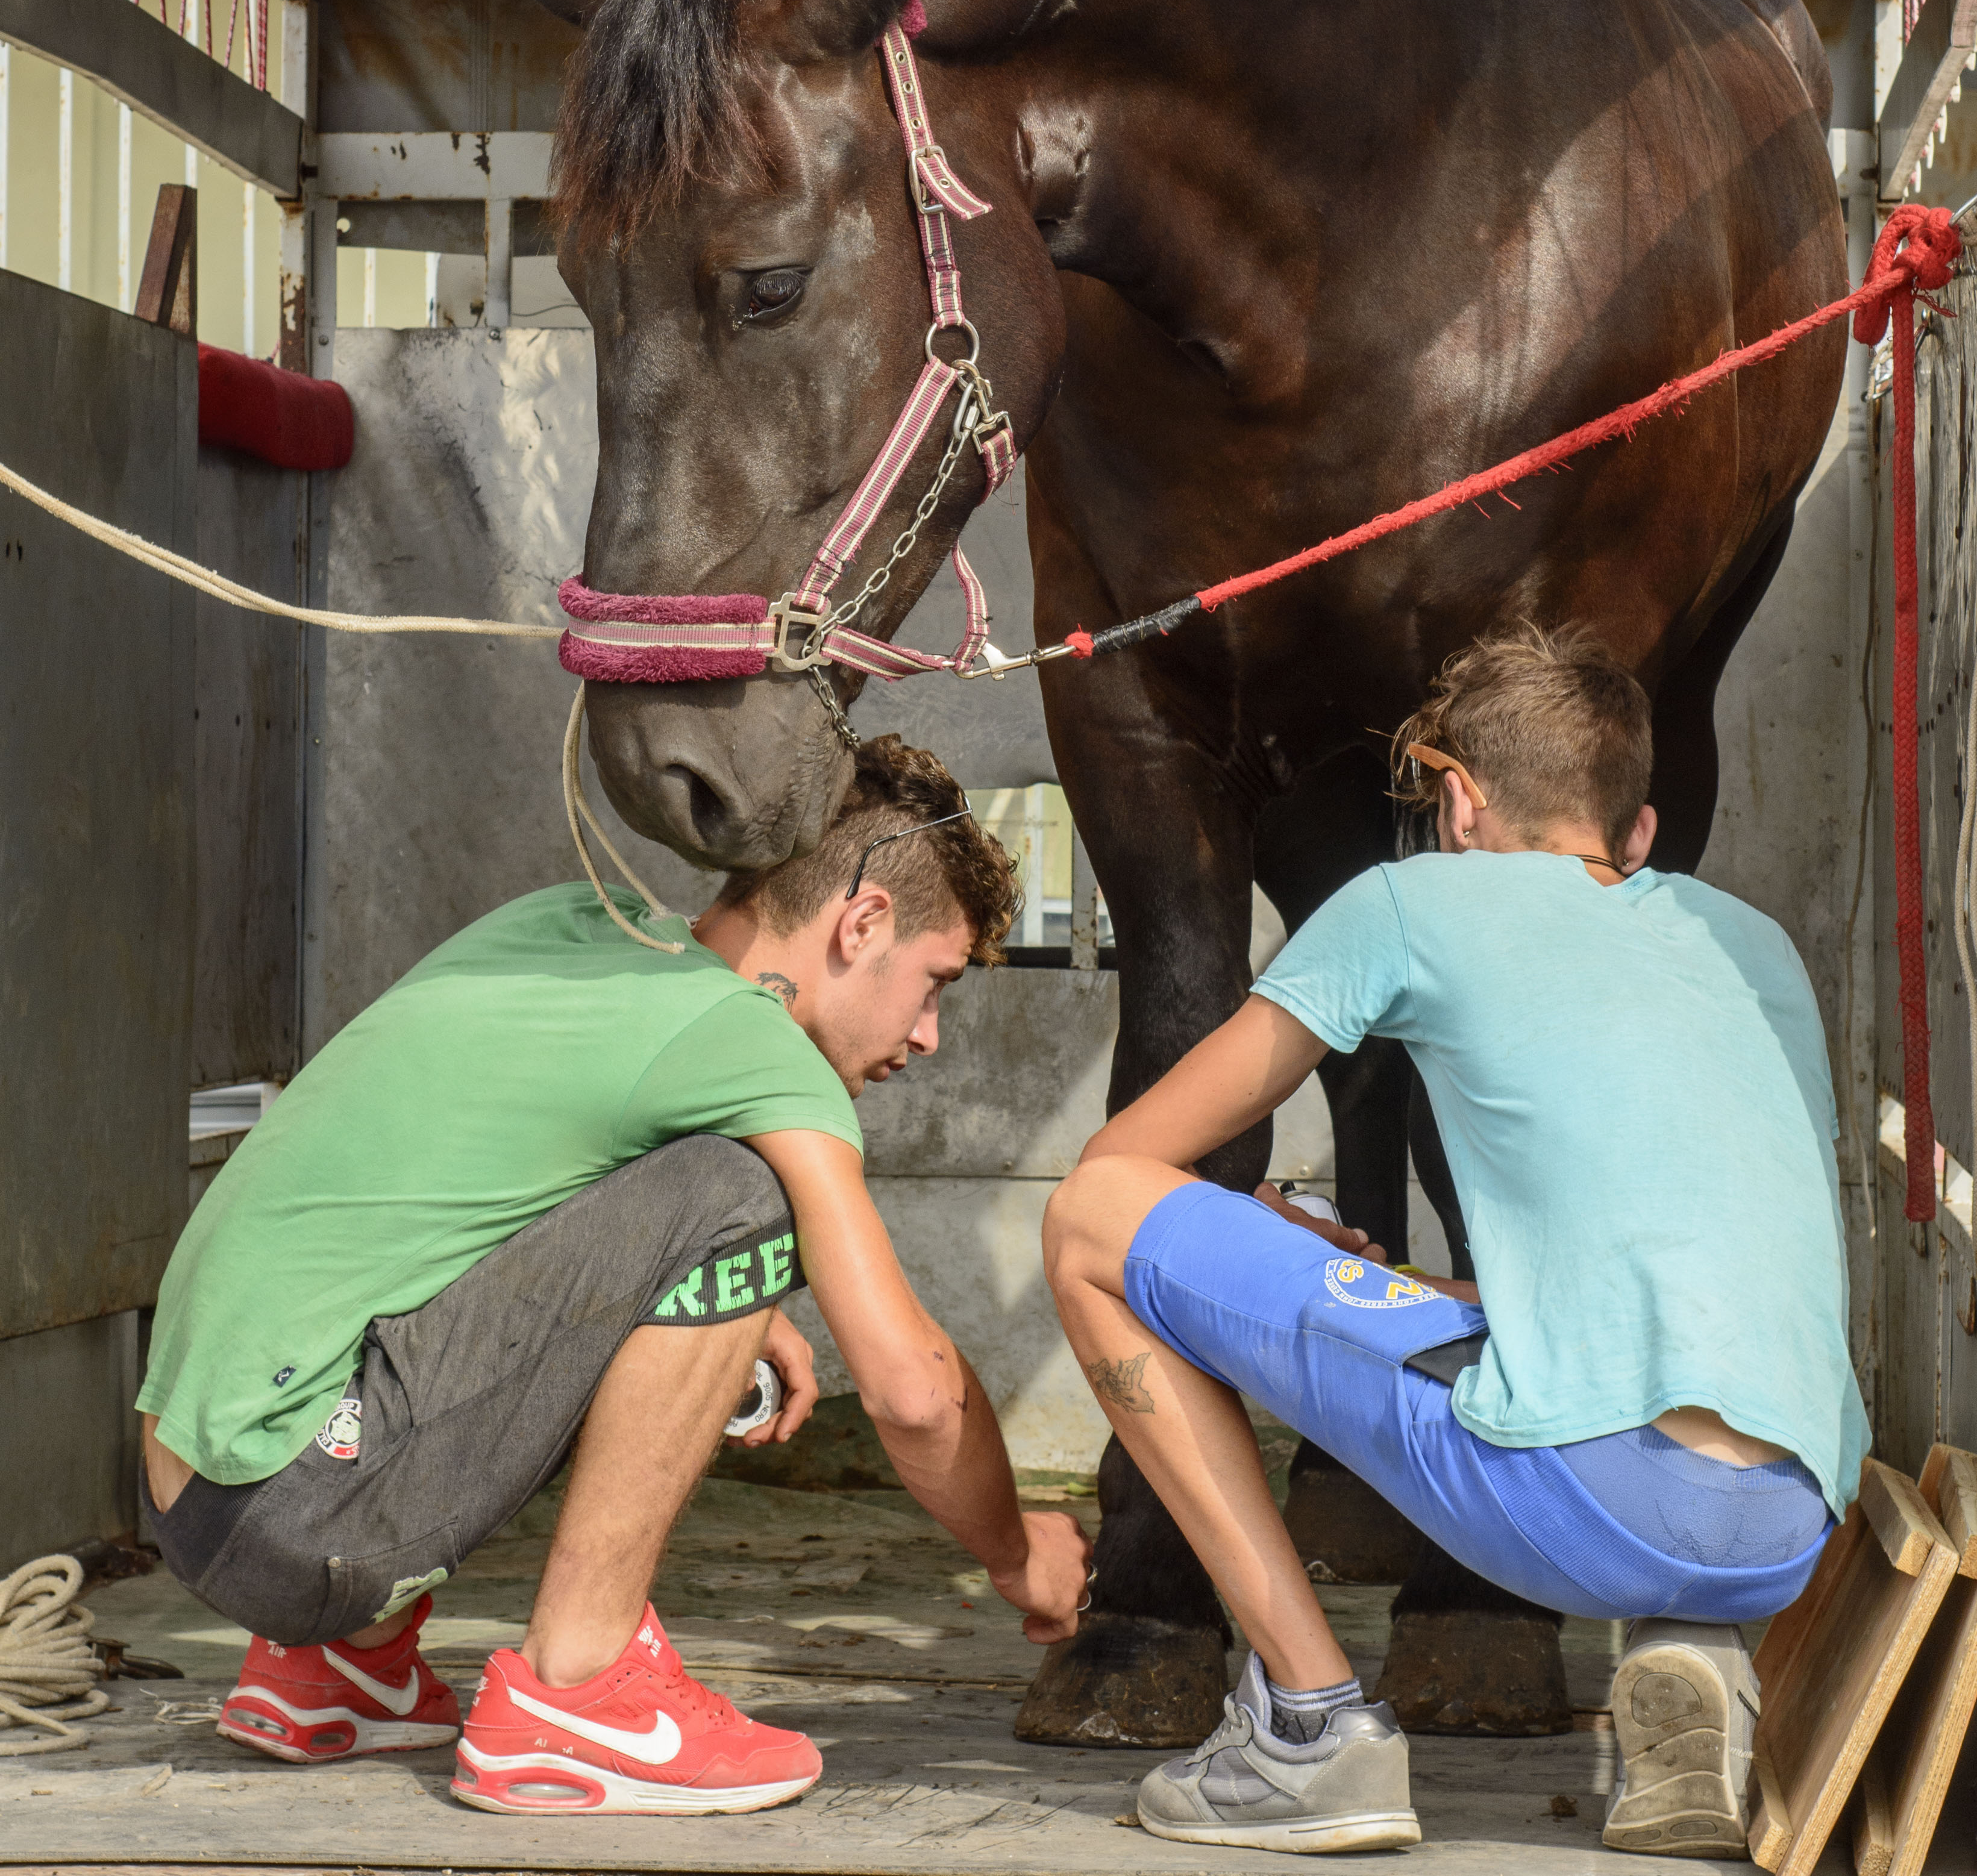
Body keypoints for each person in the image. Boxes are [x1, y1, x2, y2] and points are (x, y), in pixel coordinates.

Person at [138, 734, 1089, 1818]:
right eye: (934, 982)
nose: (926, 1034)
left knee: (701, 1220)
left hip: (206, 1485)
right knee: (744, 1197)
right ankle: (576, 1687)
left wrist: (727, 1310)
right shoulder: (762, 1051)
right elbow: (913, 1392)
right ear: (861, 921)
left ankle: (341, 1664)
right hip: (300, 1508)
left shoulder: (572, 923)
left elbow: (485, 1193)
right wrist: (1019, 1554)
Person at [1044, 624, 1867, 1859]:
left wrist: (1259, 1246)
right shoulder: (1751, 946)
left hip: (1593, 1500)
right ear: (1634, 834)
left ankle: (1312, 1731)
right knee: (1594, 1377)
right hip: (1791, 1523)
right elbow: (1615, 1280)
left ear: (1461, 800)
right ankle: (1693, 1652)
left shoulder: (1410, 898)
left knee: (1086, 1226)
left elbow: (1127, 1167)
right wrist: (1396, 1287)